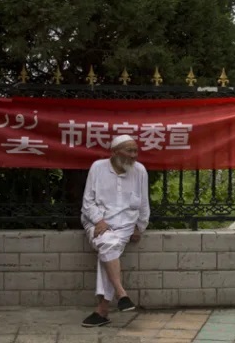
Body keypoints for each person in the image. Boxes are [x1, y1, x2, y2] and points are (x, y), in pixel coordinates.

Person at [80, 134, 150, 327]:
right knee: (108, 243)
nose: (134, 155)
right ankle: (121, 293)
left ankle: (102, 311)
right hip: (97, 221)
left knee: (107, 248)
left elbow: (144, 203)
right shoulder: (98, 167)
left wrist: (140, 226)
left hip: (125, 224)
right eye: (129, 151)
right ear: (115, 152)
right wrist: (98, 220)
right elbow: (88, 202)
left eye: (136, 150)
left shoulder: (140, 170)